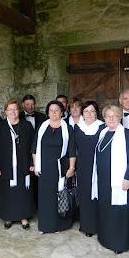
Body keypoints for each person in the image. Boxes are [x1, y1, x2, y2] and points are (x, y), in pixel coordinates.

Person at [91, 105, 129, 253]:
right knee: (105, 209)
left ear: (119, 117)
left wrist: (128, 178)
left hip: (119, 181)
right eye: (108, 116)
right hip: (103, 180)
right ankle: (105, 238)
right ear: (104, 118)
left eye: (114, 116)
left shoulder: (127, 134)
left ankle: (119, 243)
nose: (111, 119)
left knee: (118, 211)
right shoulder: (103, 132)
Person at [32, 100, 76, 234]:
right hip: (44, 168)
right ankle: (46, 226)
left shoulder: (67, 129)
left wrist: (72, 167)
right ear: (48, 112)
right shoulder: (42, 127)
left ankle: (59, 225)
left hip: (60, 168)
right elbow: (34, 148)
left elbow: (72, 150)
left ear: (62, 112)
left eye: (57, 110)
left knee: (60, 195)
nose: (54, 112)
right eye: (51, 110)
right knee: (46, 197)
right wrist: (36, 165)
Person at [0, 99, 34, 229]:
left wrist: (33, 163)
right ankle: (8, 216)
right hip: (5, 167)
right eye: (10, 109)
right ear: (5, 112)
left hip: (23, 166)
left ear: (19, 110)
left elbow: (34, 146)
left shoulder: (26, 126)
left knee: (23, 193)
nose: (13, 112)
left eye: (15, 109)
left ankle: (23, 217)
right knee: (7, 193)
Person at [74, 100, 104, 237]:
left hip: (99, 167)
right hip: (82, 167)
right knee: (85, 195)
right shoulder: (77, 127)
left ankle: (99, 224)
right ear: (82, 113)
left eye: (92, 111)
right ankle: (87, 226)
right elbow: (73, 149)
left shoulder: (103, 127)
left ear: (96, 112)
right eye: (86, 111)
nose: (89, 113)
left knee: (99, 195)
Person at [19, 94, 47, 209]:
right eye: (27, 104)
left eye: (32, 104)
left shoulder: (42, 117)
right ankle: (26, 205)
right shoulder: (18, 116)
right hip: (23, 153)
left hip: (39, 153)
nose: (30, 107)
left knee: (38, 180)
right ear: (22, 105)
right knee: (24, 181)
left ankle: (38, 205)